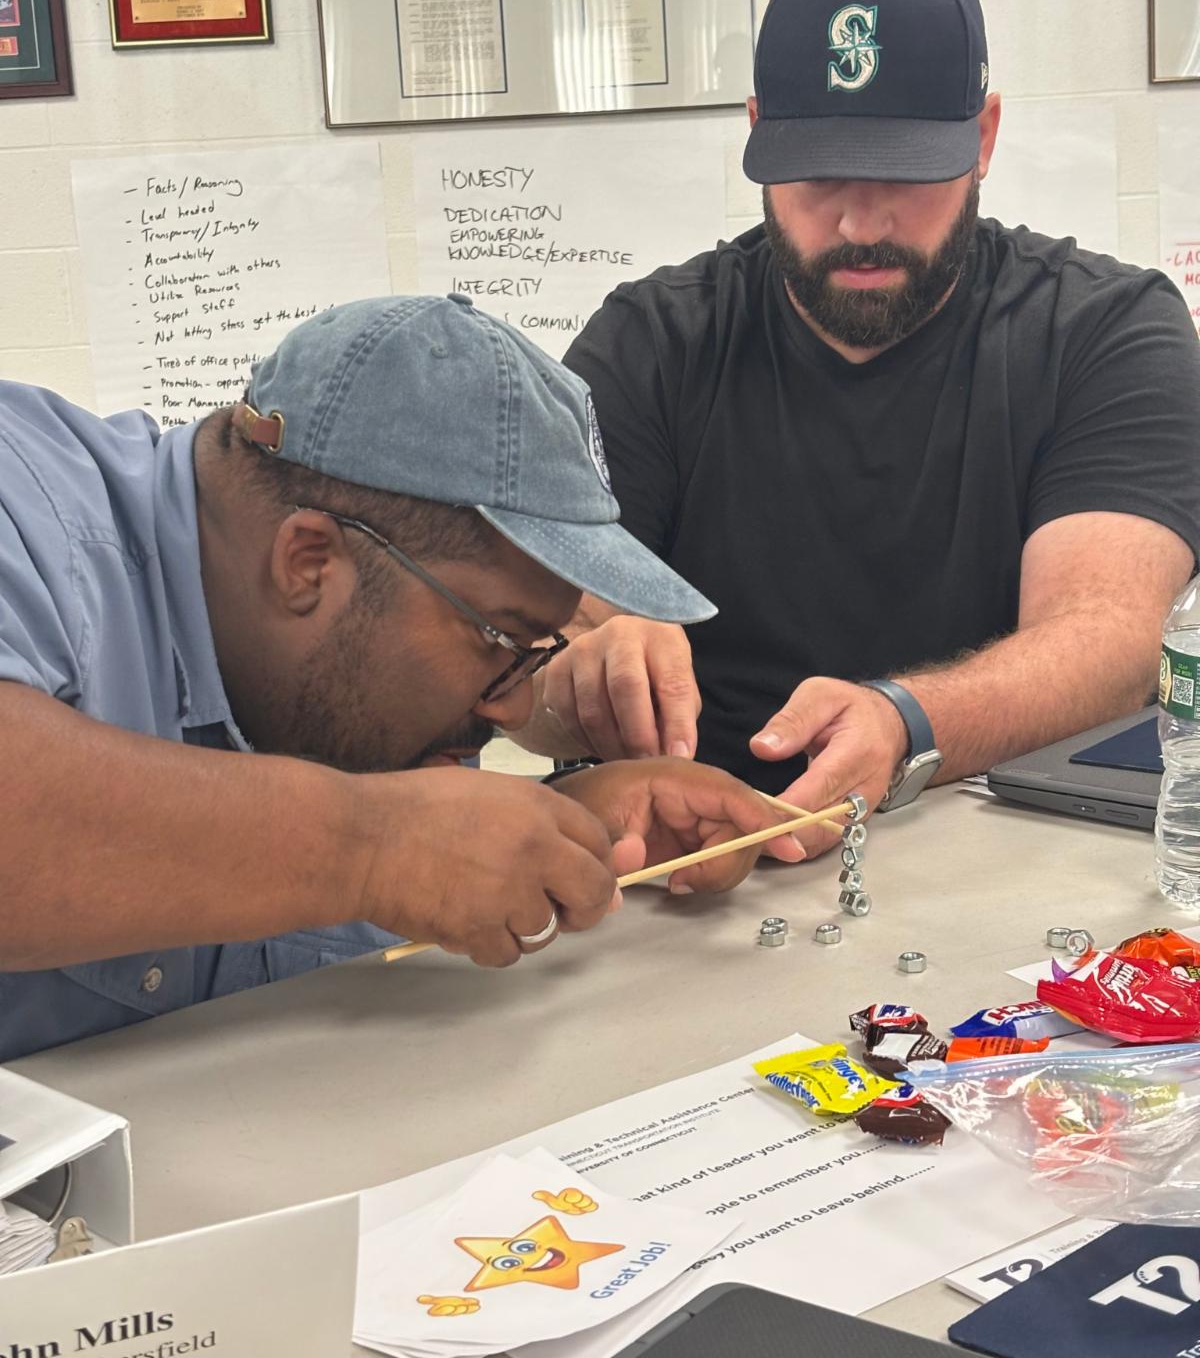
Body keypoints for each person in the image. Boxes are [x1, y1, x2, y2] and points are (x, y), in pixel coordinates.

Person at [528, 0, 1200, 848]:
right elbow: (537, 640)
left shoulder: (1108, 331)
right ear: (759, 128)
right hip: (699, 863)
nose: (859, 221)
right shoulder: (652, 343)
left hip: (998, 840)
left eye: (906, 173)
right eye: (818, 172)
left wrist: (907, 722)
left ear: (985, 138)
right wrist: (579, 675)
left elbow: (1111, 636)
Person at [0, 294, 791, 1061]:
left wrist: (543, 833)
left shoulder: (353, 669)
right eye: (496, 638)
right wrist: (377, 847)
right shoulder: (28, 511)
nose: (516, 706)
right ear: (309, 563)